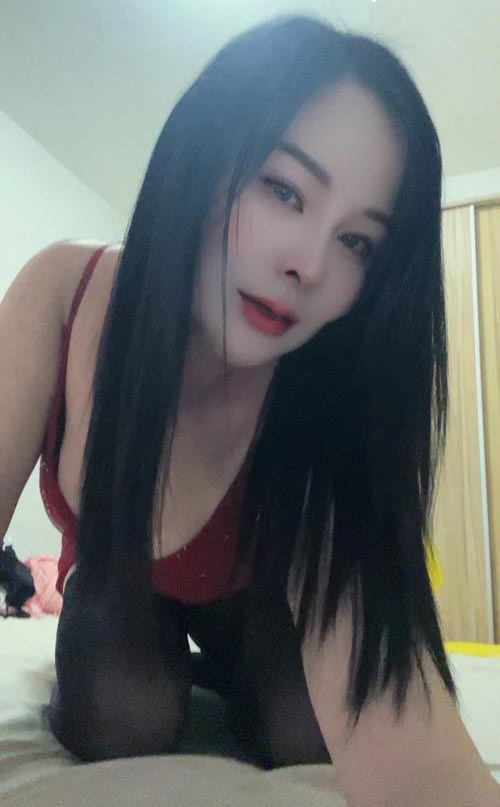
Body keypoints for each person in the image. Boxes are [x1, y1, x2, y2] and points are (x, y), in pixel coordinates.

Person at [0, 14, 498, 806]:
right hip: (119, 587)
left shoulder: (326, 391)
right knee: (119, 709)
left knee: (305, 728)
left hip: (261, 601)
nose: (308, 263)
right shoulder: (63, 295)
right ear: (204, 156)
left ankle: (234, 669)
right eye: (283, 189)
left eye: (358, 242)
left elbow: (412, 749)